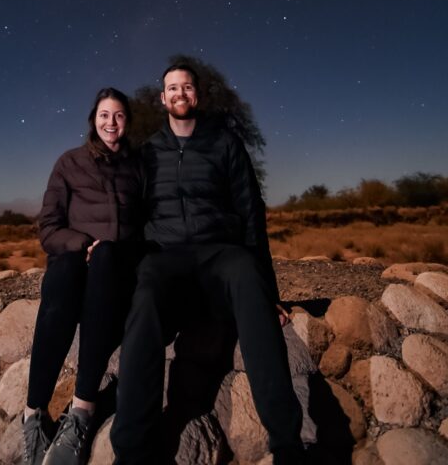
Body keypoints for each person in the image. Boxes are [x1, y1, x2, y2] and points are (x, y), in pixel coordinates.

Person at [110, 63, 306, 465]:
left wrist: (268, 292)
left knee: (246, 275)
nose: (180, 93)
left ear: (197, 95)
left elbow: (251, 212)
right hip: (166, 259)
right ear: (162, 99)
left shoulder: (226, 144)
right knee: (143, 296)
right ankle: (131, 451)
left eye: (187, 87)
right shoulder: (147, 153)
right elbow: (128, 214)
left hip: (220, 255)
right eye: (172, 88)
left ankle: (287, 444)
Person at [23, 87, 144, 465]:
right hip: (75, 262)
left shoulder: (138, 167)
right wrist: (82, 243)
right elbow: (48, 228)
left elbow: (148, 223)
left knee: (108, 256)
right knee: (62, 278)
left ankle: (81, 411)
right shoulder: (69, 162)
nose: (112, 122)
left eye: (119, 115)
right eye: (105, 115)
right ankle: (33, 414)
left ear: (127, 122)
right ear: (94, 119)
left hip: (116, 266)